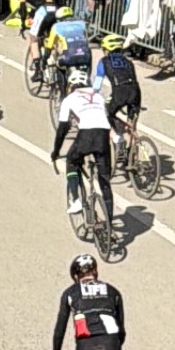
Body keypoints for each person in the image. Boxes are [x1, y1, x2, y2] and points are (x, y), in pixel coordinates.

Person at [53, 68, 115, 235]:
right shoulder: (99, 96)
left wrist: (56, 151)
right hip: (102, 137)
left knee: (72, 162)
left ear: (71, 85)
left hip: (86, 135)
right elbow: (106, 118)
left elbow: (63, 128)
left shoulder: (70, 99)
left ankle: (76, 199)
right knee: (104, 181)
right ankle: (110, 224)